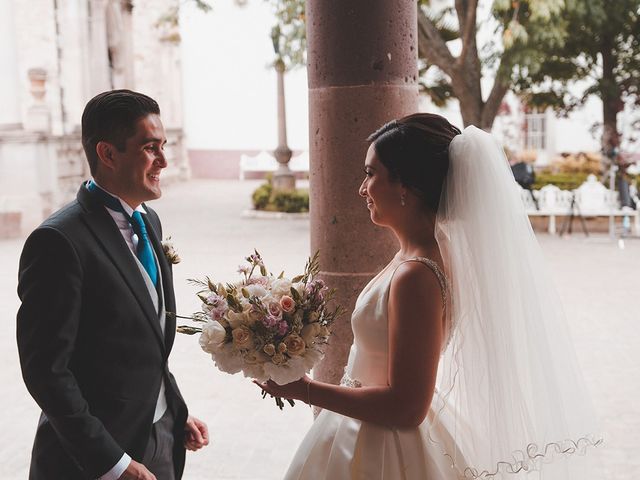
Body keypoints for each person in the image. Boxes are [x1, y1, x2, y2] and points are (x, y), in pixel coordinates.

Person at [257, 113, 601, 479]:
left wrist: (305, 389)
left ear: (404, 184)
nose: (362, 188)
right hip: (360, 428)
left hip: (383, 447)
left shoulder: (417, 275)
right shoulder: (424, 251)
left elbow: (407, 407)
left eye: (371, 173)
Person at [17, 90, 209, 480]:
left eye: (164, 146)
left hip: (161, 438)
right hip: (91, 460)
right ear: (107, 153)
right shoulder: (57, 241)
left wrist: (174, 410)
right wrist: (112, 463)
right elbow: (46, 371)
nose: (164, 161)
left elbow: (143, 341)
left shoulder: (150, 221)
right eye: (150, 147)